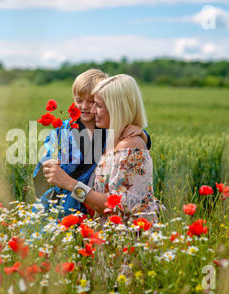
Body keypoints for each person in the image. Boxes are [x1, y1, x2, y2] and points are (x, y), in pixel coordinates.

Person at [42, 74, 163, 224]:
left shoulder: (128, 145)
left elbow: (120, 206)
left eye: (97, 104)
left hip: (128, 236)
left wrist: (69, 183)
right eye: (80, 101)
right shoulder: (109, 139)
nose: (91, 110)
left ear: (116, 108)